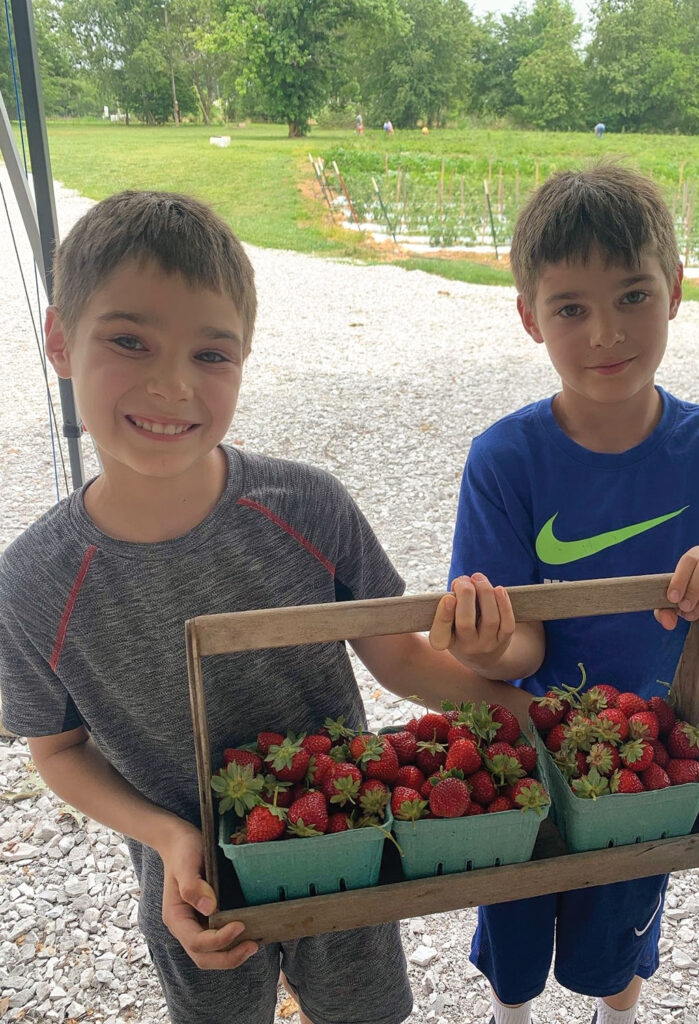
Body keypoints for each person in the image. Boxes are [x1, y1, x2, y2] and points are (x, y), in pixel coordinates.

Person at [0, 191, 535, 1024]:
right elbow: (59, 749)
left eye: (211, 355)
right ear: (60, 339)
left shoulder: (310, 508)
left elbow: (396, 657)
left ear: (245, 357)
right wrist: (167, 835)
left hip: (352, 845)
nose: (171, 383)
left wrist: (530, 719)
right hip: (194, 882)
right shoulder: (32, 583)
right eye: (129, 340)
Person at [444, 164, 699, 1024]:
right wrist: (490, 644)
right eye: (570, 308)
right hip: (525, 746)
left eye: (632, 295)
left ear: (673, 290)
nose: (605, 332)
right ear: (529, 317)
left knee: (616, 941)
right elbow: (520, 646)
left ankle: (617, 1012)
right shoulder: (504, 461)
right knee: (515, 924)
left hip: (650, 760)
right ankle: (511, 1012)